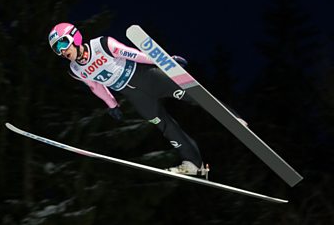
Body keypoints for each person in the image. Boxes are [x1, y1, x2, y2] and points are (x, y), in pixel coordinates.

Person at [47, 22, 244, 176]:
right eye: (57, 49)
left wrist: (166, 61)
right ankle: (194, 164)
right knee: (165, 126)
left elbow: (134, 54)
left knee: (194, 97)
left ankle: (232, 119)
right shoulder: (75, 70)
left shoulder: (102, 44)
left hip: (149, 77)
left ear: (75, 37)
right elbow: (95, 86)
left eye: (63, 43)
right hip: (134, 95)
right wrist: (112, 104)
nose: (63, 51)